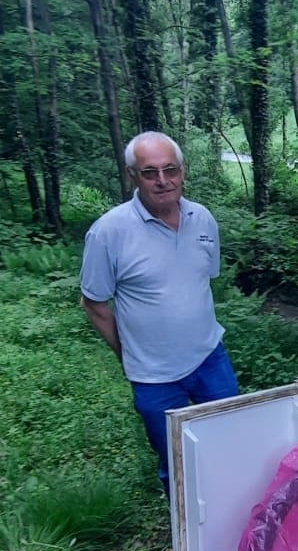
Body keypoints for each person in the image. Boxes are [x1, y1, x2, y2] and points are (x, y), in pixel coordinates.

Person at [80, 131, 239, 493]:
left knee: (230, 441)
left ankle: (231, 522)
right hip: (153, 378)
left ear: (183, 171)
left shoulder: (203, 219)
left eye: (170, 169)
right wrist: (130, 354)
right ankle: (188, 542)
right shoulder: (109, 232)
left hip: (209, 358)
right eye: (150, 172)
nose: (163, 181)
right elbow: (93, 303)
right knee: (175, 461)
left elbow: (201, 282)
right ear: (131, 175)